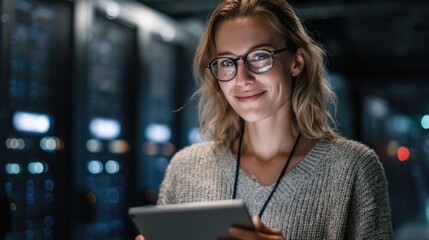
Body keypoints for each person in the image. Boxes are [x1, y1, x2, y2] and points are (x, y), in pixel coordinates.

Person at [136, 0, 393, 239]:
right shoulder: (186, 169)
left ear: (297, 62)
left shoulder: (354, 168)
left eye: (259, 56)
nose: (243, 79)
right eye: (227, 62)